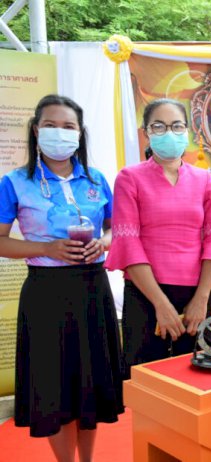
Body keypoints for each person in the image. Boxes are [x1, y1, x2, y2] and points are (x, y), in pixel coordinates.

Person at [0, 95, 124, 461]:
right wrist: (47, 248)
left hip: (92, 289)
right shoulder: (14, 182)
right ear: (37, 130)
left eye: (68, 126)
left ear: (80, 134)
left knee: (89, 385)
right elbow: (1, 241)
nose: (60, 132)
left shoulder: (97, 178)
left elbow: (117, 230)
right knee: (56, 387)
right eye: (51, 125)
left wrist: (103, 243)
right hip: (46, 295)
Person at [105, 98, 211, 375]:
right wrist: (161, 305)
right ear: (147, 132)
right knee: (147, 381)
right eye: (159, 126)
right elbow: (128, 244)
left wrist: (201, 300)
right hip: (145, 295)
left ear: (187, 131)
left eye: (176, 126)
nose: (169, 132)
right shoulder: (130, 178)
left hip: (195, 297)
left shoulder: (204, 179)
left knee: (195, 378)